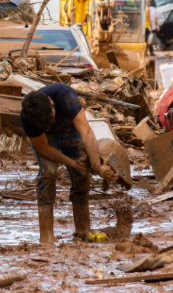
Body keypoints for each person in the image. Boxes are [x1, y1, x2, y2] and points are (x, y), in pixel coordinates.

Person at [21, 83, 118, 243]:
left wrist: (97, 167)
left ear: (51, 101)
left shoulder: (65, 96)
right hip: (48, 139)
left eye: (51, 118)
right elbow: (45, 148)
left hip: (71, 129)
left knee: (82, 174)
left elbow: (86, 132)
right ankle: (46, 236)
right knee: (48, 173)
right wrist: (73, 164)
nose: (51, 123)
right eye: (47, 123)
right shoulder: (28, 117)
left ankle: (82, 230)